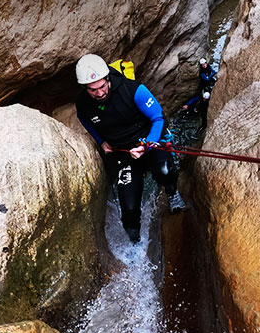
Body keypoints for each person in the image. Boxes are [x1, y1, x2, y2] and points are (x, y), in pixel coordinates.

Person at [75, 54, 186, 243]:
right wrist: (101, 141)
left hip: (149, 141)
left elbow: (157, 117)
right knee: (129, 208)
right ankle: (134, 241)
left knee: (165, 170)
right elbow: (84, 119)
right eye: (93, 90)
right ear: (85, 88)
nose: (100, 93)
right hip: (123, 153)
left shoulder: (133, 90)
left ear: (108, 79)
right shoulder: (84, 103)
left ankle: (172, 191)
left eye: (102, 86)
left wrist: (146, 145)